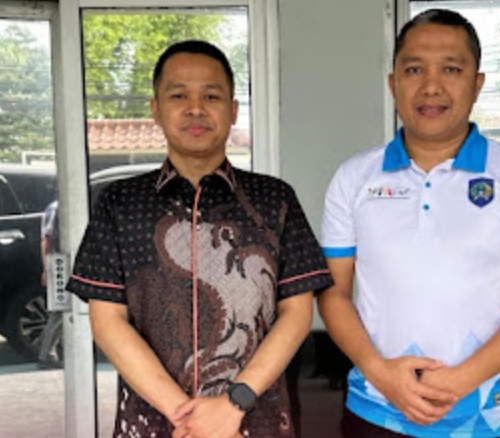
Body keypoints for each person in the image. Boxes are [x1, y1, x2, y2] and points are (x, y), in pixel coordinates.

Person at [318, 9, 500, 438]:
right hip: (375, 407)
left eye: (451, 69)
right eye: (414, 69)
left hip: (484, 418)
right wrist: (380, 373)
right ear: (393, 84)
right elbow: (332, 292)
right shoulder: (354, 178)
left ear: (477, 84)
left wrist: (456, 382)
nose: (431, 86)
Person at [66, 40, 333, 438]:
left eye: (211, 96)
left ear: (233, 110)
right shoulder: (120, 203)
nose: (195, 108)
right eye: (179, 95)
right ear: (156, 109)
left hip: (255, 421)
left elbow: (296, 312)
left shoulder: (274, 199)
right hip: (156, 424)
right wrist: (188, 418)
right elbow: (108, 321)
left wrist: (233, 404)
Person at [38, 199, 63, 367]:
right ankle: (45, 354)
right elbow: (47, 240)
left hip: (59, 263)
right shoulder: (57, 209)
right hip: (61, 263)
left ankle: (48, 350)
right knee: (60, 310)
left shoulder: (53, 207)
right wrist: (47, 269)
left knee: (60, 311)